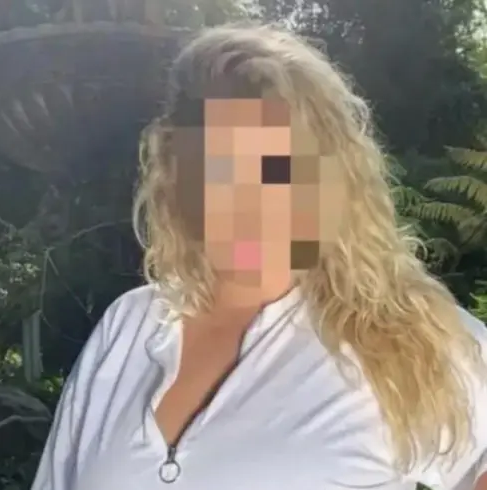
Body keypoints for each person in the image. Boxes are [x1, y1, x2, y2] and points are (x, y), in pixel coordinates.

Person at [31, 24, 487, 490]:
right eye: (219, 169)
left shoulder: (402, 336)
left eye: (277, 169)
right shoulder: (129, 327)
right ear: (176, 177)